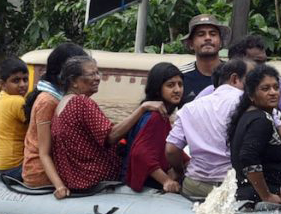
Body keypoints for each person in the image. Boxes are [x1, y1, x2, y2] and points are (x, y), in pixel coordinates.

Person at [51, 57, 167, 191]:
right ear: (73, 82)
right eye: (91, 74)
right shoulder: (81, 102)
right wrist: (143, 108)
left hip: (74, 180)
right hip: (94, 179)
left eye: (97, 73)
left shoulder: (61, 104)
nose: (97, 78)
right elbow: (110, 136)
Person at [166, 58, 254, 199]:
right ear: (235, 79)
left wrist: (179, 171)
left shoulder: (189, 108)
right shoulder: (251, 102)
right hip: (234, 186)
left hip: (194, 185)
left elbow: (171, 150)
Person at [21, 42, 87, 197]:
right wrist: (59, 186)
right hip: (40, 172)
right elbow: (44, 151)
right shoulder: (48, 102)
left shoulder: (61, 97)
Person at [226, 64, 281, 205]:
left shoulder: (248, 115)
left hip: (247, 193)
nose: (273, 92)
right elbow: (248, 157)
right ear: (251, 95)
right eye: (265, 89)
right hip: (258, 198)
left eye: (276, 87)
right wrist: (266, 195)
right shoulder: (261, 120)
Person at [194, 34, 281, 121]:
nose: (263, 69)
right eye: (257, 63)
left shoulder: (279, 85)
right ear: (236, 64)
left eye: (264, 62)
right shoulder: (211, 92)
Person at [122, 62, 186, 193]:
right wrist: (166, 181)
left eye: (180, 84)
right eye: (170, 85)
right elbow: (140, 154)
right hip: (146, 187)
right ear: (157, 89)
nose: (177, 90)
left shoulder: (159, 115)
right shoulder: (155, 116)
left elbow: (172, 149)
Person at [0, 57, 30, 180]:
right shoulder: (17, 101)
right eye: (16, 81)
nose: (22, 85)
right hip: (14, 169)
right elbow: (40, 130)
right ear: (3, 84)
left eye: (25, 79)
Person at [179, 14, 230, 105]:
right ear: (191, 44)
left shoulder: (234, 74)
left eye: (213, 34)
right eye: (201, 34)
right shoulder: (180, 76)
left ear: (221, 42)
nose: (207, 38)